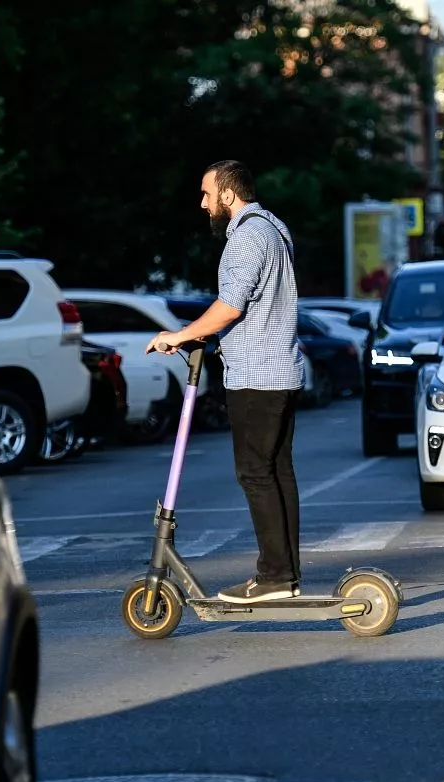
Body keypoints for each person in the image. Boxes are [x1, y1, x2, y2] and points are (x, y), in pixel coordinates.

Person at [146, 160, 305, 603]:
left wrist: (180, 334)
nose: (202, 203)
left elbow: (230, 306)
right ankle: (286, 574)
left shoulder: (248, 236)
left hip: (257, 374)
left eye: (206, 194)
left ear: (228, 195)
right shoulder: (274, 229)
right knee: (276, 472)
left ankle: (274, 577)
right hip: (280, 370)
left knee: (255, 472)